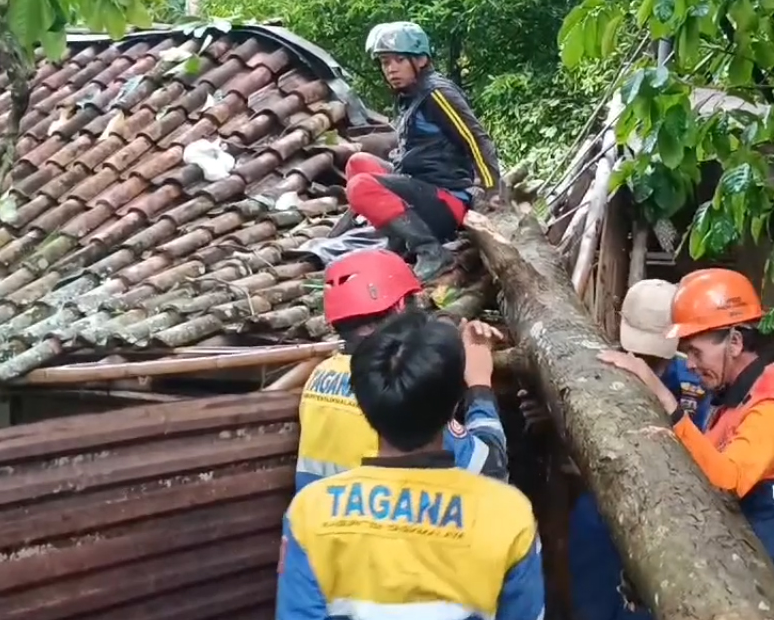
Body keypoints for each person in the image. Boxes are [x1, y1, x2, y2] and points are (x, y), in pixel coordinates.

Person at [277, 310, 545, 620]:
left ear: (364, 402)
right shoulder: (509, 515)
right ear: (453, 403)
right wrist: (480, 386)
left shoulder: (310, 513)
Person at [598, 268, 774, 617]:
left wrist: (667, 403)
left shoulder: (771, 409)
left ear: (735, 342)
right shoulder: (734, 395)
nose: (689, 365)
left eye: (695, 352)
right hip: (750, 576)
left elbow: (727, 481)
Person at [521, 279, 713, 620]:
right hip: (601, 513)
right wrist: (550, 417)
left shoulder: (695, 384)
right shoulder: (592, 369)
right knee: (593, 601)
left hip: (665, 518)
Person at [294, 248, 509, 494]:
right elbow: (490, 470)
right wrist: (480, 384)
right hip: (395, 526)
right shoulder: (396, 381)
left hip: (327, 520)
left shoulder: (319, 374)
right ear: (399, 308)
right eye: (413, 300)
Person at [345, 21, 505, 282]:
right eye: (385, 62)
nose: (391, 69)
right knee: (358, 163)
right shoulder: (410, 94)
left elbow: (477, 139)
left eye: (398, 60)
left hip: (445, 198)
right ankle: (400, 239)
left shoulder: (437, 93)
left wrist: (492, 188)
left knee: (361, 186)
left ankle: (431, 251)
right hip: (419, 187)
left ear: (420, 59)